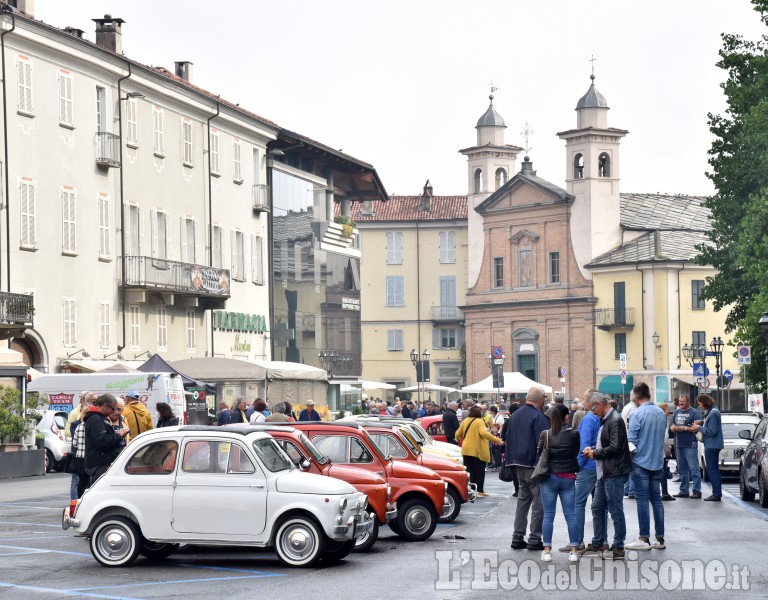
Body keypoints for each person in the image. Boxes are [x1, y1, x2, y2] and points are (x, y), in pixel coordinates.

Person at [582, 394, 632, 560]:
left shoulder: (614, 420)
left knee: (615, 509)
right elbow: (610, 445)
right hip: (606, 472)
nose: (592, 413)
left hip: (613, 472)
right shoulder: (609, 419)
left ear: (599, 405)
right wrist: (594, 450)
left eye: (592, 409)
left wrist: (594, 453)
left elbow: (615, 447)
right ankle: (599, 542)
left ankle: (618, 547)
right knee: (597, 506)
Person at [506, 386, 550, 551]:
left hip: (518, 463)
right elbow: (545, 443)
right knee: (538, 503)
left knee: (523, 500)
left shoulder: (515, 415)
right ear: (540, 399)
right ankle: (534, 538)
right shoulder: (538, 417)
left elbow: (509, 438)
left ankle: (517, 536)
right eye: (543, 399)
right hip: (533, 464)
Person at [625, 382, 668, 551]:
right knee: (656, 500)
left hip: (641, 462)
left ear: (636, 397)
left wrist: (630, 459)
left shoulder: (637, 413)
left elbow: (632, 441)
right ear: (648, 394)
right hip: (657, 462)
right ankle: (660, 538)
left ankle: (644, 537)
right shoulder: (661, 413)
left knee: (642, 500)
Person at [538, 404, 581, 563]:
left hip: (549, 477)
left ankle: (547, 551)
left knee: (548, 515)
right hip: (568, 477)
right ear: (566, 417)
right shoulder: (575, 434)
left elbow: (540, 454)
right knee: (571, 515)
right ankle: (574, 551)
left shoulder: (546, 434)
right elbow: (576, 452)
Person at [560, 389, 600, 553]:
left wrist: (576, 465)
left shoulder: (588, 419)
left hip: (587, 467)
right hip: (599, 466)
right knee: (598, 506)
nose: (583, 401)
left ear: (592, 401)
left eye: (584, 398)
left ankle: (577, 541)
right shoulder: (600, 418)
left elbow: (584, 447)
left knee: (578, 503)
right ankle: (599, 540)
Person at [454, 405, 502, 497]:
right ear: (478, 413)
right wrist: (497, 440)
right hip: (477, 450)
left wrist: (458, 438)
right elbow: (484, 433)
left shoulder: (465, 421)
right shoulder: (480, 421)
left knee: (470, 471)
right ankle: (479, 490)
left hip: (466, 450)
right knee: (479, 471)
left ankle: (471, 489)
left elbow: (457, 434)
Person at [83, 394, 130, 481]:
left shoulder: (98, 418)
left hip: (99, 463)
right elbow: (102, 441)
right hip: (99, 465)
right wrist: (118, 435)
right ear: (105, 406)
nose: (113, 411)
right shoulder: (96, 419)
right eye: (113, 408)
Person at [692, 394, 724, 502]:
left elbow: (712, 430)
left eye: (700, 404)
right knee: (713, 469)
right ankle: (716, 493)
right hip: (712, 444)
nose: (700, 406)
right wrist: (702, 422)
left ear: (705, 402)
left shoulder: (713, 412)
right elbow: (710, 426)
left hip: (712, 445)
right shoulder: (711, 411)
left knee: (712, 469)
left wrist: (699, 427)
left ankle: (716, 494)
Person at [670, 394, 702, 499]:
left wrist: (684, 429)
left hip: (690, 444)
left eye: (683, 401)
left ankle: (697, 491)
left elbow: (697, 428)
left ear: (688, 401)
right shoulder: (677, 412)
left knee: (694, 469)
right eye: (680, 401)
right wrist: (673, 428)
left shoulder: (694, 413)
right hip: (679, 443)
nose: (680, 403)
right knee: (682, 469)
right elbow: (672, 425)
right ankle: (684, 490)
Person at [69, 391, 97, 500]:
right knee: (90, 481)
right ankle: (86, 500)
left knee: (81, 481)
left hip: (79, 458)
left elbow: (74, 442)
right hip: (90, 458)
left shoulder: (78, 426)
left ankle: (78, 501)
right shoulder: (92, 426)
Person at [622, 393, 639, 499]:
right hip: (630, 440)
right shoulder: (633, 409)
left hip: (626, 439)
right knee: (633, 468)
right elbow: (631, 426)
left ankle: (627, 489)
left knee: (629, 467)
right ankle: (631, 491)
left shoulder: (627, 407)